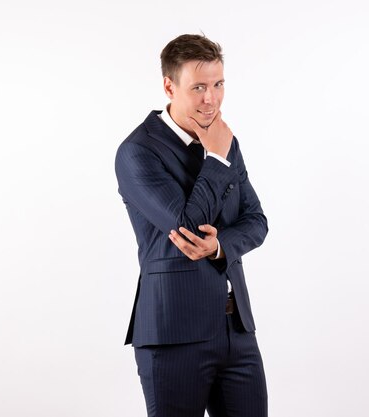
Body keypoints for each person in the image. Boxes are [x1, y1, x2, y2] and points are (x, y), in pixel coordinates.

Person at [114, 34, 269, 417]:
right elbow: (186, 225)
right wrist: (215, 155)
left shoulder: (224, 142)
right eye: (198, 87)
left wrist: (219, 247)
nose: (211, 99)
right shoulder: (137, 151)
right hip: (173, 333)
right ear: (169, 85)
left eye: (218, 85)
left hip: (236, 330)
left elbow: (257, 221)